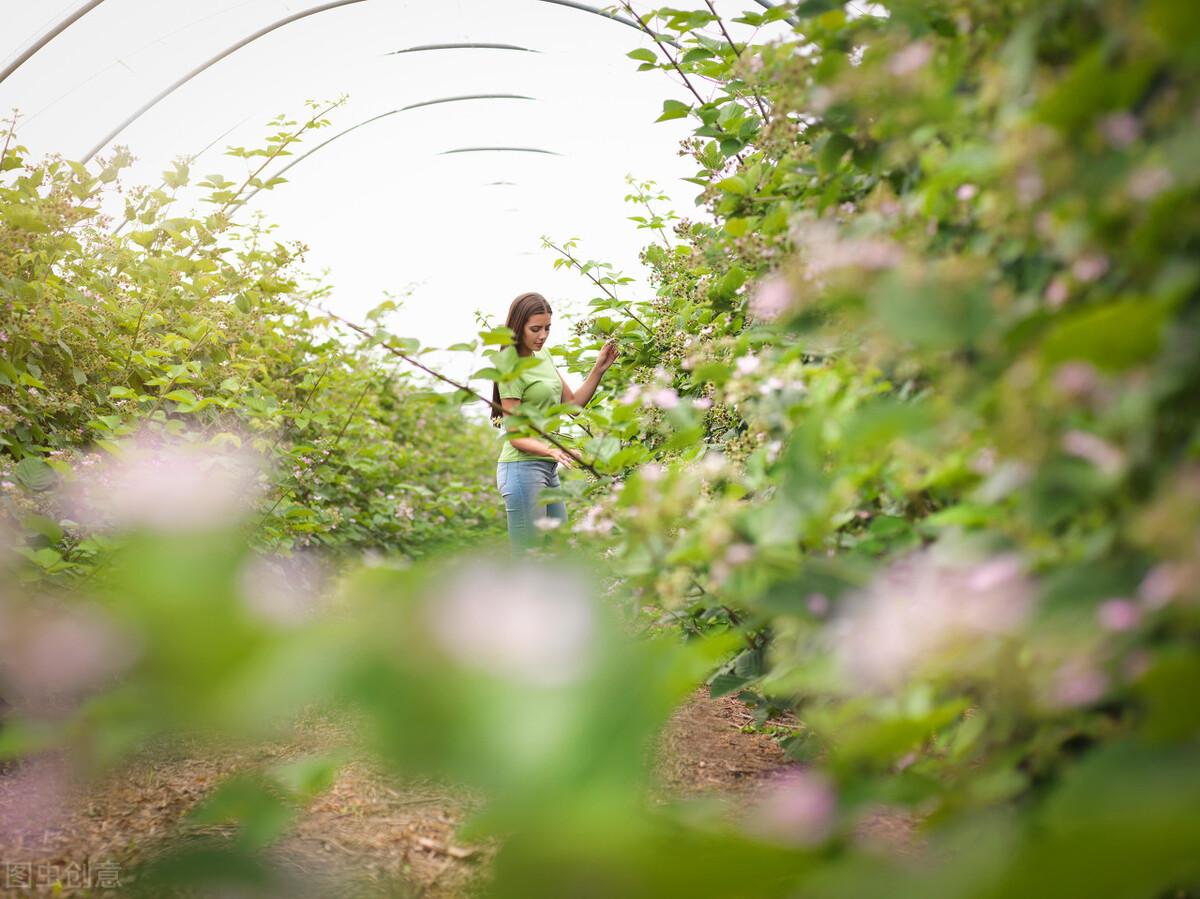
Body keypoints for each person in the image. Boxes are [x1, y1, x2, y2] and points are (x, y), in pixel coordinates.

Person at [492, 291, 619, 555]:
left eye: (547, 328)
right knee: (530, 559)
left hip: (548, 469)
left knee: (559, 555)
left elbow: (572, 405)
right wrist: (553, 450)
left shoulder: (544, 356)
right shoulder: (510, 369)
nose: (543, 336)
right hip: (521, 469)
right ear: (518, 327)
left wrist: (599, 368)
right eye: (535, 329)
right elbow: (514, 435)